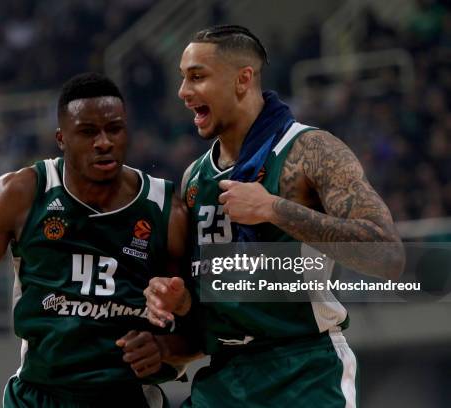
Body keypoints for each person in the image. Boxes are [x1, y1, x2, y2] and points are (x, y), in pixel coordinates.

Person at [145, 25, 405, 407]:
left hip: (303, 371)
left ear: (243, 79)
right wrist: (176, 304)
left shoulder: (311, 150)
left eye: (197, 77)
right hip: (226, 372)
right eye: (183, 79)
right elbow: (206, 310)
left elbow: (389, 256)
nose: (184, 92)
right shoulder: (194, 179)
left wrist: (273, 208)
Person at [0, 72, 195, 408]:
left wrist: (166, 347)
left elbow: (200, 325)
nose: (103, 142)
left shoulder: (165, 209)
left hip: (128, 395)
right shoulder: (22, 193)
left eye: (114, 129)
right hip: (38, 396)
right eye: (87, 132)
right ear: (61, 138)